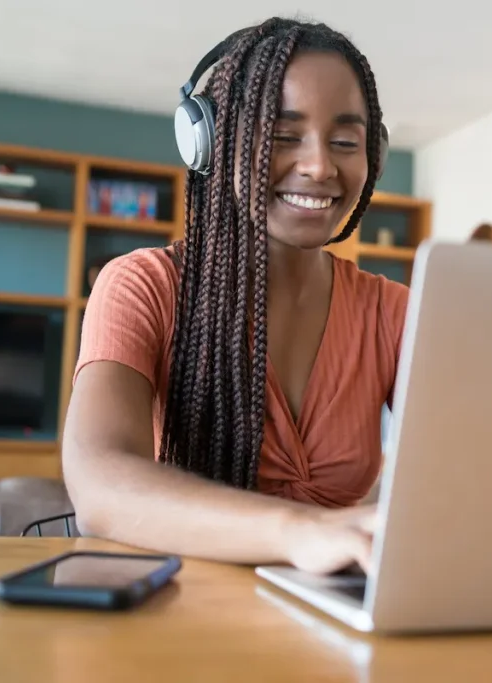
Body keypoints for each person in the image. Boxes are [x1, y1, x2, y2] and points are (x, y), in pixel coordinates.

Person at [63, 17, 405, 576]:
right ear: (211, 144)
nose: (320, 165)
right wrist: (300, 531)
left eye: (345, 141)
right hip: (175, 628)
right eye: (282, 134)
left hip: (327, 633)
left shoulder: (392, 313)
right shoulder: (144, 285)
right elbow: (99, 484)